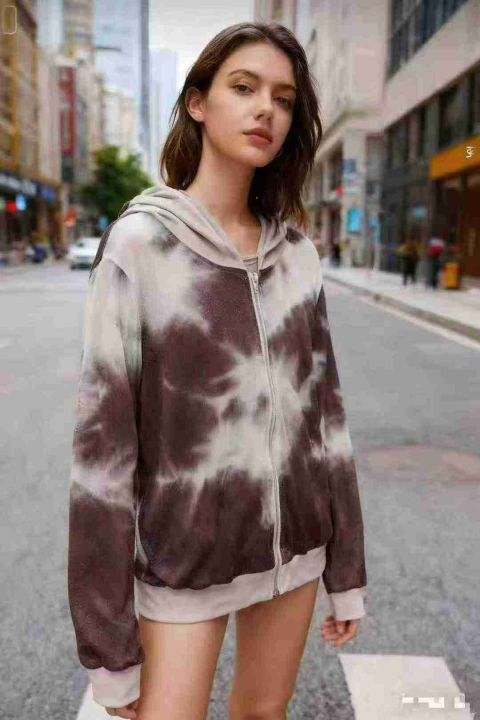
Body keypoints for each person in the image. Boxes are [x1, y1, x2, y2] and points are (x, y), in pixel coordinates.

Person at [67, 22, 367, 720]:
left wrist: (346, 570)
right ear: (198, 103)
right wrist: (108, 650)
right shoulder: (141, 247)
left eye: (284, 99)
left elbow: (327, 422)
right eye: (244, 87)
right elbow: (101, 462)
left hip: (294, 556)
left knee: (263, 713)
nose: (266, 110)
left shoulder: (298, 257)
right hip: (185, 563)